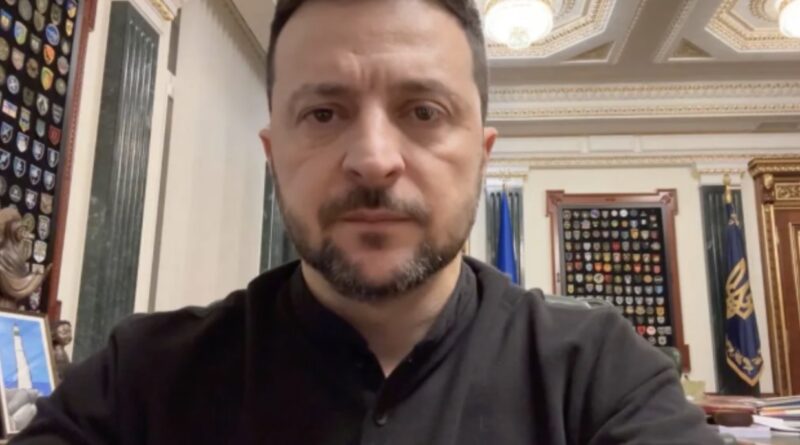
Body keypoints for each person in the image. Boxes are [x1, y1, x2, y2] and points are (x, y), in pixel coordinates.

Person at [12, 0, 723, 443]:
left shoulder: (601, 375)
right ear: (274, 154)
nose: (375, 160)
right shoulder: (139, 381)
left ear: (481, 157)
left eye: (424, 111)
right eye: (324, 113)